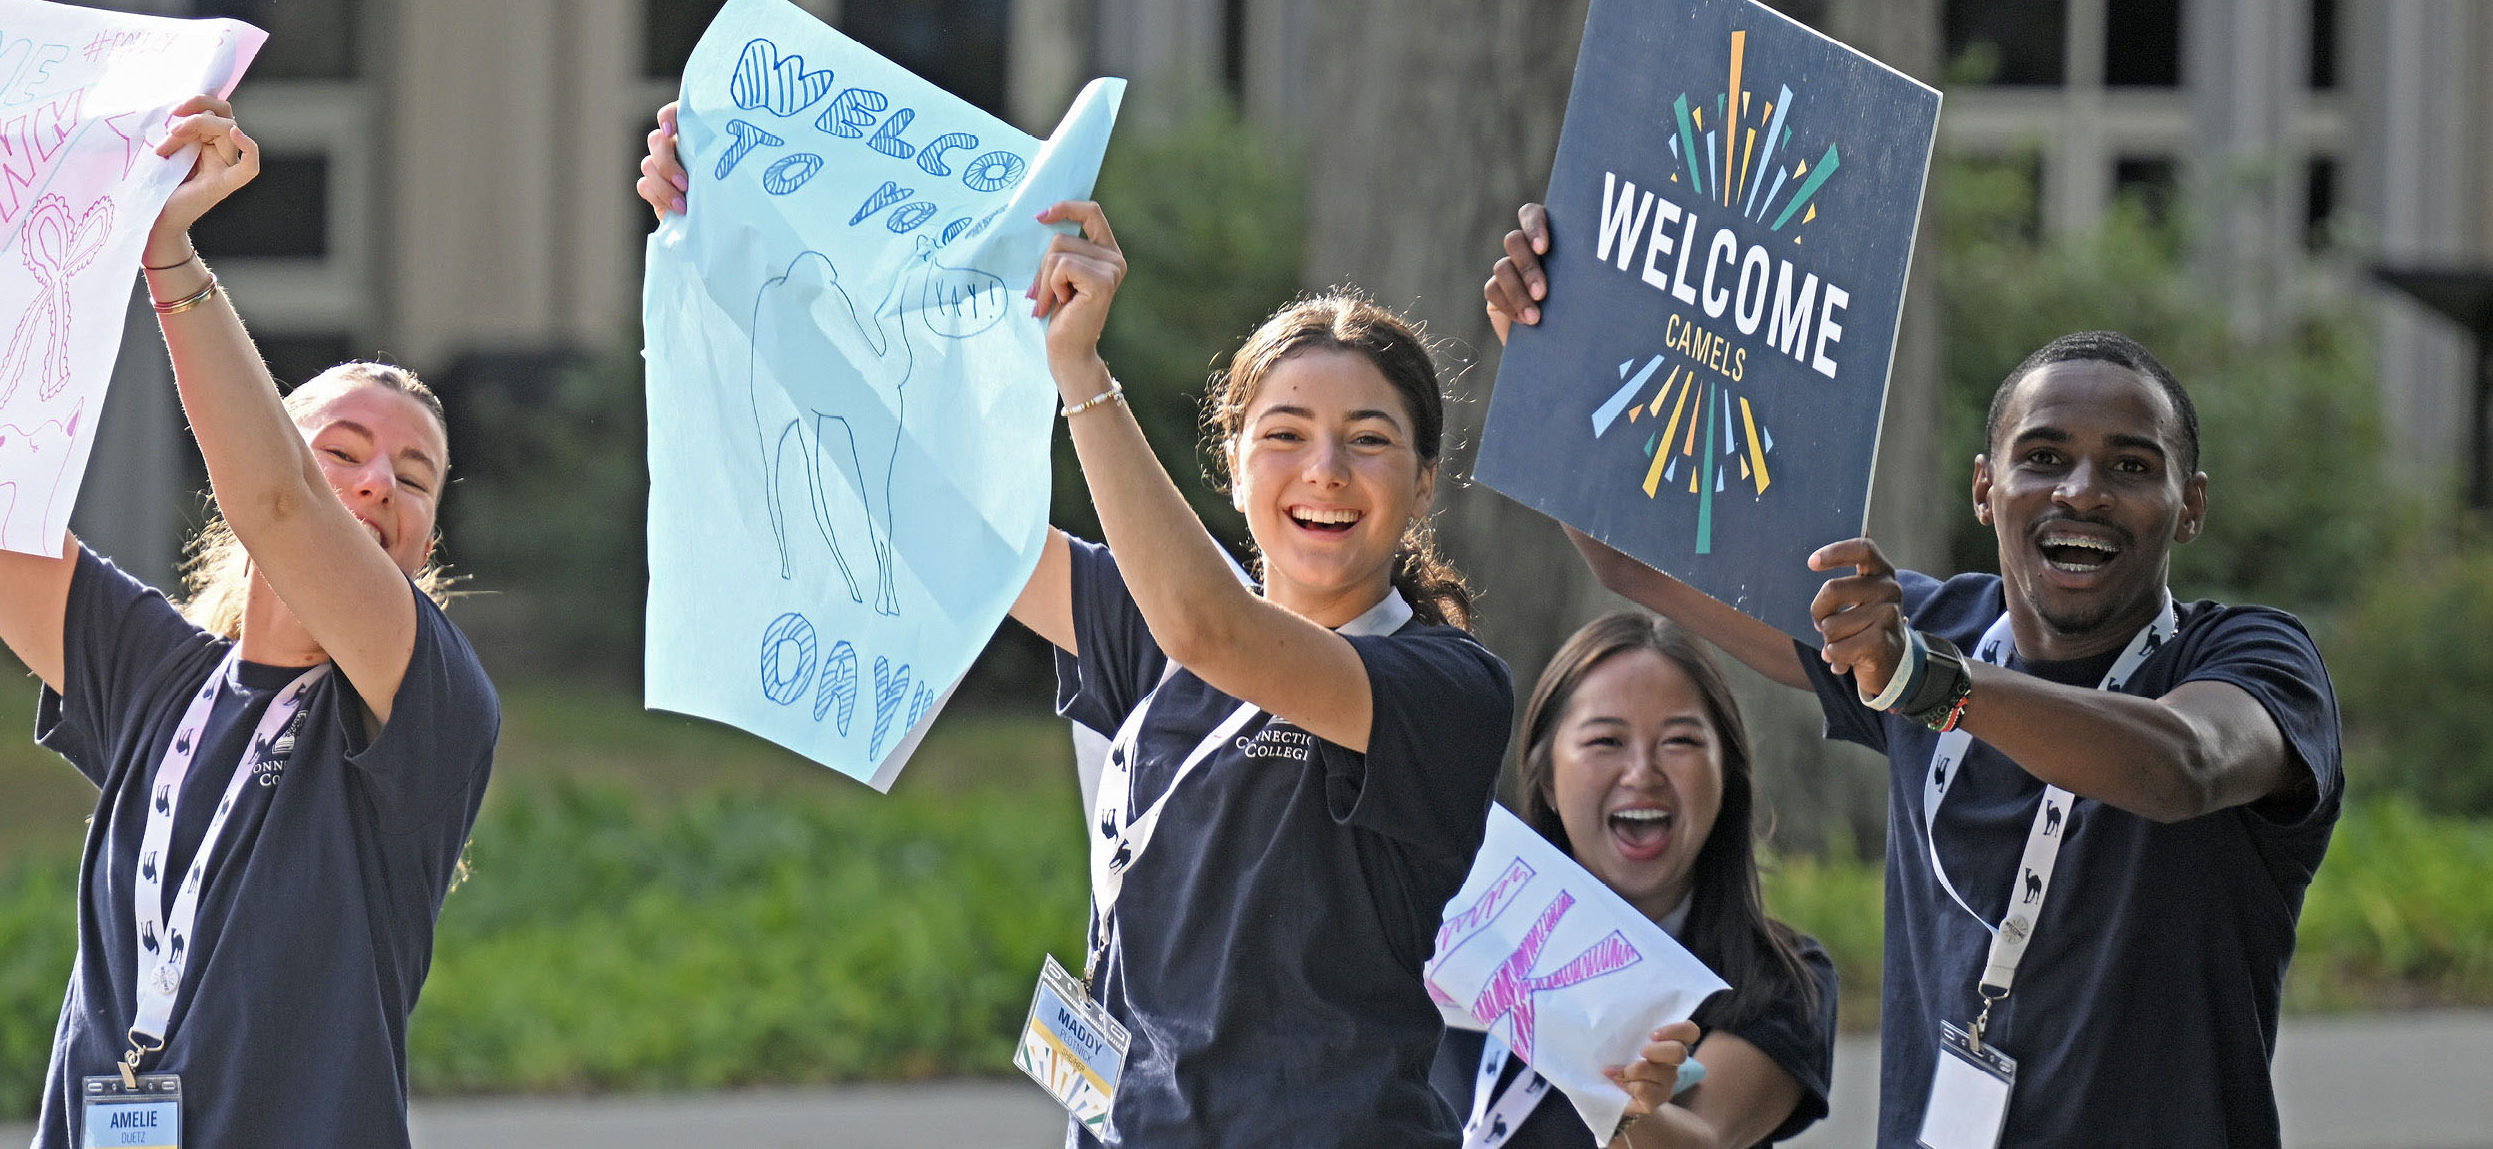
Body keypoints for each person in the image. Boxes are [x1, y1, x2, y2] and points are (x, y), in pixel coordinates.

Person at [636, 110, 1535, 1148]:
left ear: (1424, 483)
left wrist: (1080, 372)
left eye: (1368, 442)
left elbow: (1217, 632)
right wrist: (733, 259)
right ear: (1233, 466)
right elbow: (922, 504)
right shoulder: (1141, 620)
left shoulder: (1445, 682)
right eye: (1284, 435)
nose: (1325, 471)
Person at [0, 56, 501, 1148]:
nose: (377, 481)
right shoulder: (164, 677)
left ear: (425, 537)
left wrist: (168, 249)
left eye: (413, 476)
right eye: (341, 451)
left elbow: (284, 511)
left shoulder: (428, 702)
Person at [1485, 204, 2343, 1147]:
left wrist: (1927, 685)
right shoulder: (1923, 628)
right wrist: (1551, 338)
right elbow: (1631, 559)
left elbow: (2187, 765)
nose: (2083, 491)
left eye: (2132, 466)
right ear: (1986, 488)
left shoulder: (2249, 657)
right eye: (2044, 457)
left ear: (2190, 507)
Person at [1429, 612, 1836, 1148]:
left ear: (1727, 776)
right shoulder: (1449, 929)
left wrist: (1629, 1110)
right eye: (1605, 741)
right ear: (1547, 778)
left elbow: (1704, 1139)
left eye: (1680, 741)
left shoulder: (1781, 979)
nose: (1642, 773)